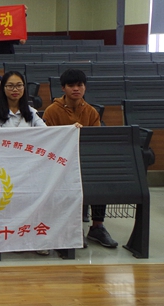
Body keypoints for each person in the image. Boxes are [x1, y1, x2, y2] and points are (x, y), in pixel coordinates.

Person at [43, 69, 116, 248]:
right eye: (71, 85)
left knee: (100, 178)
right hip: (59, 163)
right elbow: (48, 141)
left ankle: (97, 227)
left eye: (80, 85)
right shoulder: (52, 111)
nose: (76, 89)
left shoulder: (91, 112)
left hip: (85, 161)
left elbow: (95, 140)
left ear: (85, 87)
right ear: (63, 88)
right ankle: (72, 228)